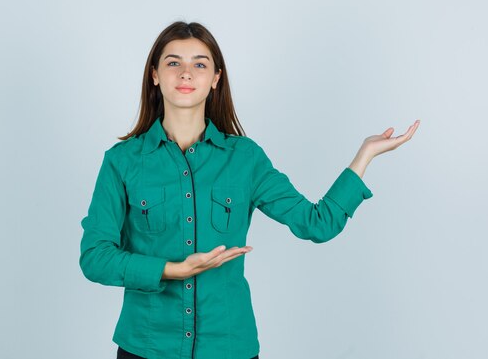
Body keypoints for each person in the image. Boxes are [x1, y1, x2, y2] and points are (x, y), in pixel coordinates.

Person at [79, 21, 420, 359]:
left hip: (228, 347)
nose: (186, 74)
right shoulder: (121, 162)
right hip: (146, 347)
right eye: (173, 63)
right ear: (154, 74)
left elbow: (318, 223)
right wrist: (173, 269)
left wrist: (365, 155)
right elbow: (95, 257)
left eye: (199, 64)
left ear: (215, 79)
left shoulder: (246, 159)